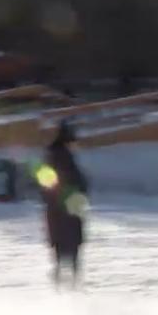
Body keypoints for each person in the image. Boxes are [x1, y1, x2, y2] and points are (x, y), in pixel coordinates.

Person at [40, 121, 89, 288]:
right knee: (73, 245)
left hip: (56, 208)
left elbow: (45, 185)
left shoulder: (50, 157)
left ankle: (61, 284)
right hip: (70, 205)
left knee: (60, 249)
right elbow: (76, 182)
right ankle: (73, 284)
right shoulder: (65, 158)